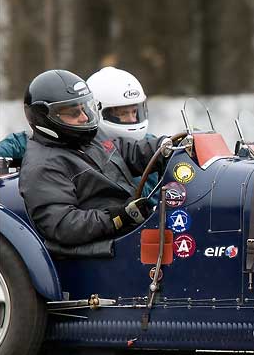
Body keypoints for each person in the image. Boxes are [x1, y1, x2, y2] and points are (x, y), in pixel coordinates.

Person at [18, 69, 170, 246]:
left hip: (128, 232)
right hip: (105, 247)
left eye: (84, 108)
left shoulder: (88, 138)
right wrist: (118, 217)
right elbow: (63, 225)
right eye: (74, 113)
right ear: (46, 117)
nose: (84, 117)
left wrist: (166, 147)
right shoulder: (43, 165)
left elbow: (131, 151)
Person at [0, 66, 159, 196]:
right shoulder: (50, 143)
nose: (131, 120)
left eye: (135, 111)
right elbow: (18, 148)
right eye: (122, 113)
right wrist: (17, 167)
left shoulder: (148, 147)